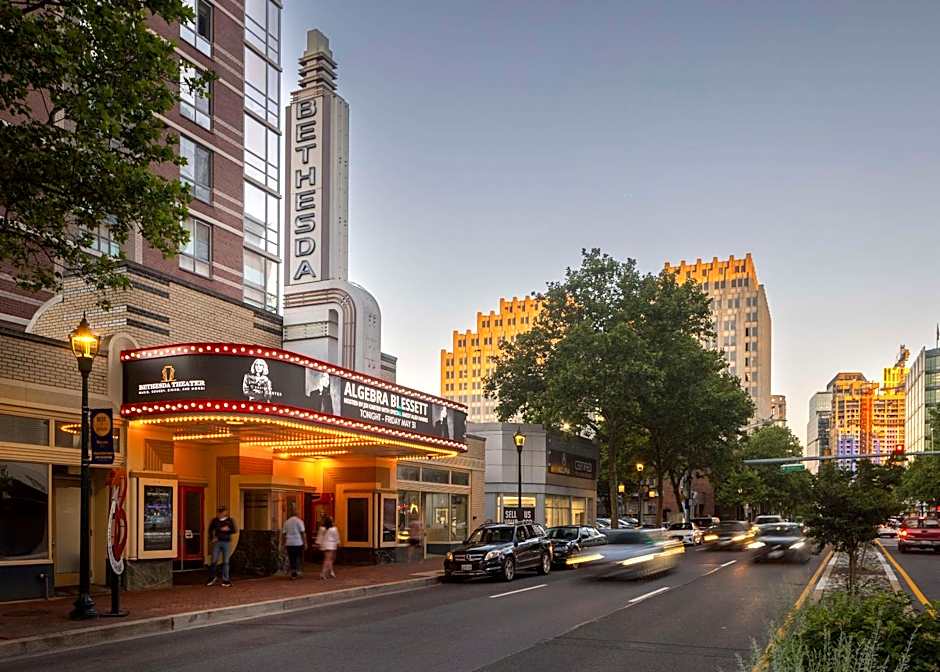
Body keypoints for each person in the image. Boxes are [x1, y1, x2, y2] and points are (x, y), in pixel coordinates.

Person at [207, 506, 238, 587]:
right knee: (214, 560)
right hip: (217, 542)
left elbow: (234, 530)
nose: (221, 514)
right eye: (220, 512)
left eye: (223, 512)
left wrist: (228, 530)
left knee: (226, 562)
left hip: (226, 542)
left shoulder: (230, 520)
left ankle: (226, 580)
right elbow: (210, 530)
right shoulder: (215, 520)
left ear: (225, 512)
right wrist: (212, 538)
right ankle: (212, 577)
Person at [282, 504, 306, 579]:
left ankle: (293, 572)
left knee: (291, 557)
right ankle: (298, 571)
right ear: (296, 513)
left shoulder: (286, 522)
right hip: (298, 542)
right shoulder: (299, 521)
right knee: (298, 557)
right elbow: (302, 533)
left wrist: (283, 543)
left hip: (289, 542)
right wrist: (305, 543)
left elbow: (284, 534)